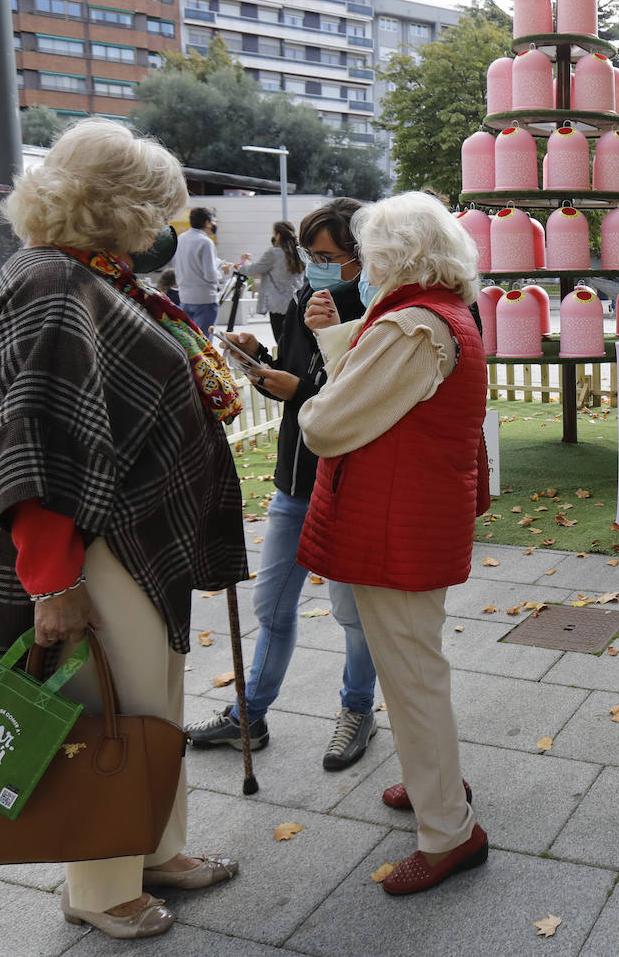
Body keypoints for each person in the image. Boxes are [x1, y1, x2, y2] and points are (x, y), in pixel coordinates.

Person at [0, 119, 247, 939]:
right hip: (97, 547)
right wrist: (54, 582)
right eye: (155, 209)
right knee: (112, 707)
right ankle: (101, 886)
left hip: (132, 540)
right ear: (118, 206)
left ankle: (155, 849)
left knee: (153, 700)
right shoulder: (53, 284)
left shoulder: (86, 274)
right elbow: (32, 446)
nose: (161, 227)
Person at [296, 190, 489, 896]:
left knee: (411, 675)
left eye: (369, 252)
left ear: (394, 256)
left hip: (396, 524)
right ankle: (435, 781)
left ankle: (449, 833)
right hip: (408, 517)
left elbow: (326, 424)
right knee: (413, 669)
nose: (362, 264)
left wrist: (314, 402)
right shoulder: (438, 312)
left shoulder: (412, 325)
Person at [188, 199, 381, 774]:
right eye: (308, 253)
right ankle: (249, 714)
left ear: (362, 256)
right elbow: (295, 377)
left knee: (353, 615)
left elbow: (356, 401)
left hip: (348, 487)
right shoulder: (303, 301)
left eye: (327, 256)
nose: (314, 266)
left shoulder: (379, 310)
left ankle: (357, 709)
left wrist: (300, 386)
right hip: (294, 482)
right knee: (271, 604)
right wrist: (259, 360)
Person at [237, 220, 306, 348]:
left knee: (280, 340)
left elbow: (254, 269)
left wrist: (243, 263)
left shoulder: (273, 253)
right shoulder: (299, 252)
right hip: (295, 301)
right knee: (293, 340)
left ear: (278, 235)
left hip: (277, 304)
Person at [176, 207, 222, 334]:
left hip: (184, 298)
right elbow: (210, 275)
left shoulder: (180, 239)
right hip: (205, 299)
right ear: (207, 222)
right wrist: (221, 272)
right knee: (204, 340)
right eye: (213, 221)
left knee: (189, 339)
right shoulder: (206, 242)